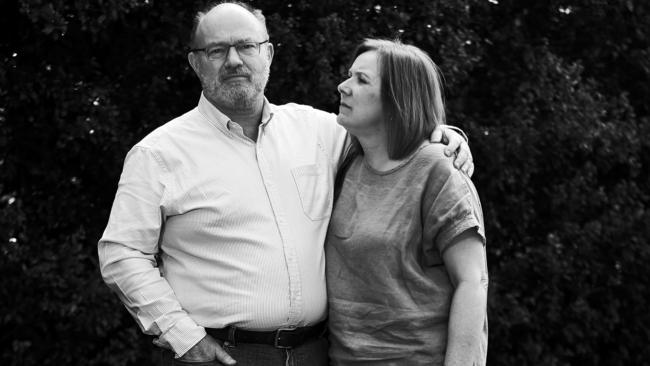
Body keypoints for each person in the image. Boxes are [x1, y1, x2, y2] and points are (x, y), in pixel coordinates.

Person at [98, 3, 473, 366]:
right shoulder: (159, 153)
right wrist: (183, 335)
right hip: (223, 355)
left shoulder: (319, 131)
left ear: (269, 54)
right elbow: (122, 253)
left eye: (246, 46)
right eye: (217, 50)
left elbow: (387, 132)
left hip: (317, 353)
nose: (233, 60)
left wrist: (442, 134)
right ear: (196, 63)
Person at [326, 39, 488, 365]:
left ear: (397, 99)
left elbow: (473, 282)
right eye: (349, 76)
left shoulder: (438, 170)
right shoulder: (344, 162)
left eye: (362, 80)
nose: (343, 86)